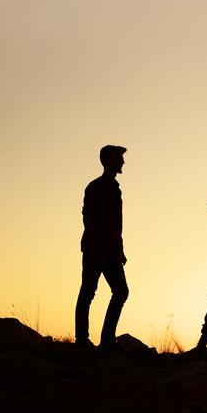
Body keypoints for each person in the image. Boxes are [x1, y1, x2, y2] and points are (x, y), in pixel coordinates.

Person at [74, 145, 129, 350]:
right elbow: (88, 218)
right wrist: (94, 248)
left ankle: (107, 340)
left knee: (121, 291)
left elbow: (117, 222)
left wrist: (120, 247)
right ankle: (82, 340)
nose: (122, 162)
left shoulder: (116, 188)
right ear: (107, 161)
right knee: (88, 291)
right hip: (94, 247)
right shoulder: (95, 186)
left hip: (112, 249)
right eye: (118, 158)